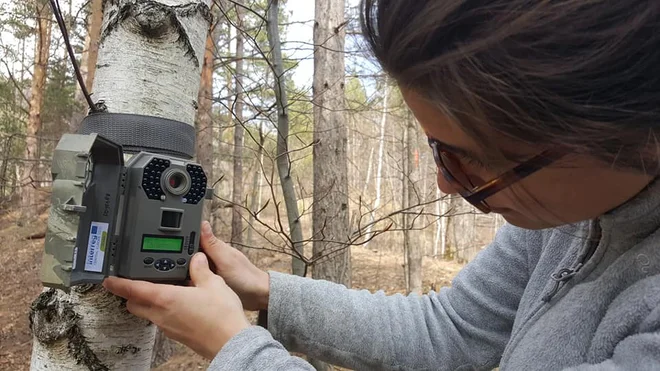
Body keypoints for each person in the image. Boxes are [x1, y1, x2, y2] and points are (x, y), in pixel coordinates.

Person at [103, 1, 660, 370]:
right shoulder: (569, 214)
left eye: (470, 163)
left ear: (630, 134)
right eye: (438, 151)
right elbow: (449, 330)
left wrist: (235, 349)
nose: (443, 185)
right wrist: (267, 289)